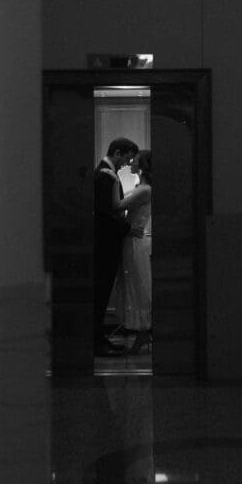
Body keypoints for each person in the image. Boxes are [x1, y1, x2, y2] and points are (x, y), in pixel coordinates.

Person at [93, 137, 139, 356]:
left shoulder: (105, 173)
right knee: (100, 292)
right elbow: (104, 214)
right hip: (105, 245)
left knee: (102, 292)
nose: (127, 164)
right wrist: (127, 229)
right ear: (118, 152)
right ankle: (96, 341)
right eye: (126, 159)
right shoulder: (105, 176)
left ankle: (99, 337)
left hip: (106, 243)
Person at [112, 149, 152, 355]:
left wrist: (112, 181)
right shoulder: (141, 188)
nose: (131, 162)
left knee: (137, 287)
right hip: (133, 241)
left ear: (143, 164)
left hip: (134, 243)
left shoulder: (144, 189)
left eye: (135, 159)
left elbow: (118, 206)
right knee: (135, 285)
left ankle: (143, 333)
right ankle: (141, 334)